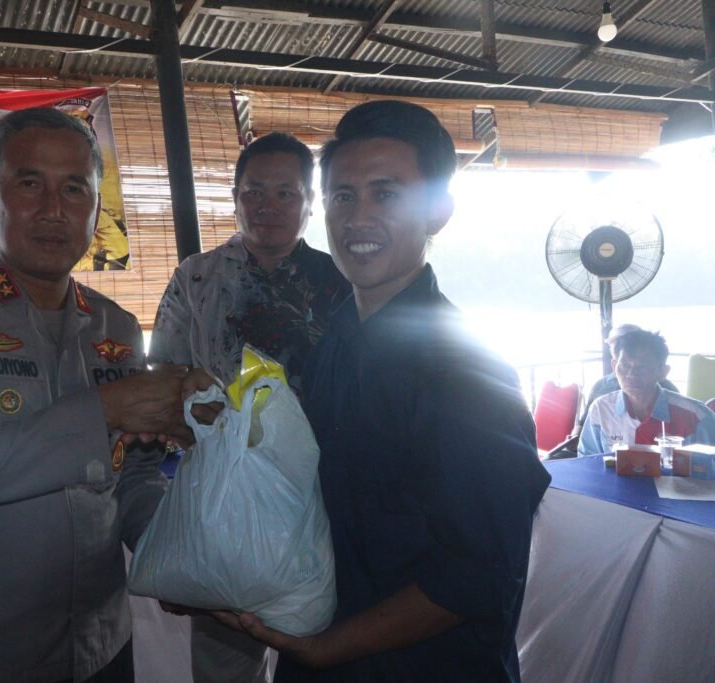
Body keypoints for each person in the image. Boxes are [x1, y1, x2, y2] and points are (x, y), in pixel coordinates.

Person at [210, 100, 552, 682]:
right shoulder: (338, 337)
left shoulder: (466, 370)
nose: (358, 219)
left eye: (386, 194)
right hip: (320, 645)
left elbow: (479, 570)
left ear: (438, 211)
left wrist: (327, 648)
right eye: (343, 196)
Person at [0, 107, 194, 683]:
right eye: (29, 184)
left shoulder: (116, 326)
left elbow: (133, 477)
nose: (53, 210)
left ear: (95, 209)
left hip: (101, 647)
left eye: (74, 188)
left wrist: (173, 555)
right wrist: (106, 409)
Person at [149, 132, 349, 683]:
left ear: (309, 202)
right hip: (224, 492)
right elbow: (162, 373)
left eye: (286, 193)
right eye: (254, 192)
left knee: (322, 637)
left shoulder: (339, 282)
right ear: (234, 198)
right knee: (225, 652)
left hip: (321, 488)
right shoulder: (196, 276)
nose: (268, 206)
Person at [578, 329, 715, 456]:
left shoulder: (697, 416)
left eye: (641, 367)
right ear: (614, 366)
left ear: (663, 371)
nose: (631, 374)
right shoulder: (601, 410)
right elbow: (587, 461)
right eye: (625, 365)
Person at [578, 323, 679, 425]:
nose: (631, 374)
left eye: (626, 343)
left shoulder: (668, 389)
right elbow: (583, 423)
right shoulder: (600, 388)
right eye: (613, 344)